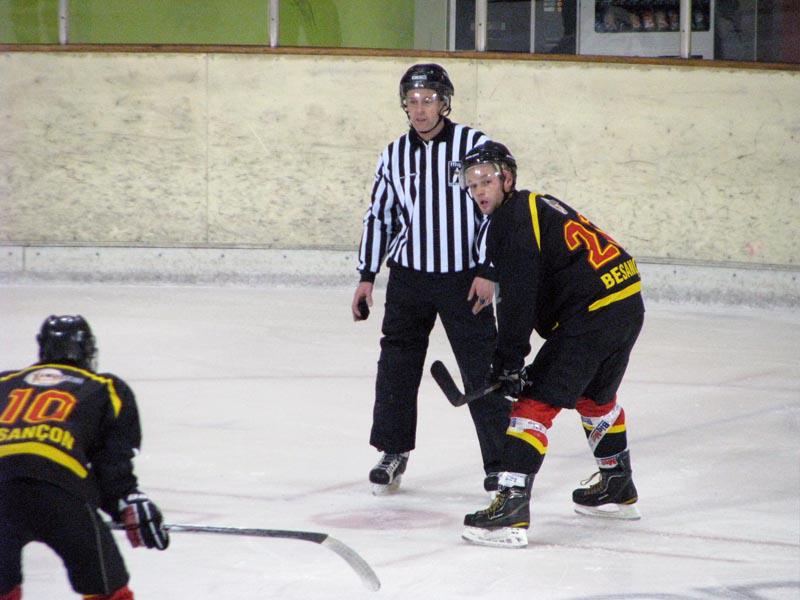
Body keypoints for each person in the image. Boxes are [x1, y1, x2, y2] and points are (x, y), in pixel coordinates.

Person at [458, 142, 645, 548]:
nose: (479, 191)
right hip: (626, 302)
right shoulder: (536, 204)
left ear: (507, 178)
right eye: (471, 185)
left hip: (593, 314)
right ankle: (616, 483)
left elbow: (518, 298)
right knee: (595, 397)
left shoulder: (510, 221)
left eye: (486, 180)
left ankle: (510, 507)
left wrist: (509, 361)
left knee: (533, 404)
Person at [351, 63, 510, 494]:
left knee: (482, 367)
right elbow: (380, 216)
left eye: (428, 100)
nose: (420, 109)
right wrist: (367, 274)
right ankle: (393, 450)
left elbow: (497, 208)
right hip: (409, 278)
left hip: (464, 278)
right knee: (397, 365)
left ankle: (501, 462)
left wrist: (489, 269)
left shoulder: (473, 145)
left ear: (445, 102)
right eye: (412, 101)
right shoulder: (393, 154)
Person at [0, 315, 169, 600]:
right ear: (88, 350)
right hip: (60, 491)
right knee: (108, 592)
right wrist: (126, 501)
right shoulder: (104, 387)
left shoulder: (4, 382)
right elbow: (111, 465)